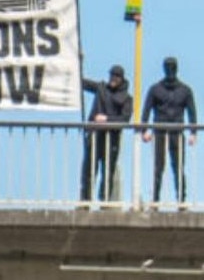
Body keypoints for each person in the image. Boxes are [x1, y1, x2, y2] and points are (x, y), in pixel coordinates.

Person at [141, 57, 197, 209]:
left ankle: (181, 201)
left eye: (172, 67)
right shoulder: (155, 89)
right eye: (168, 67)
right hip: (160, 132)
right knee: (159, 167)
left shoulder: (185, 90)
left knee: (178, 166)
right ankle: (155, 201)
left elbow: (192, 112)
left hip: (177, 132)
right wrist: (143, 129)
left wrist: (193, 132)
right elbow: (146, 109)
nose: (170, 70)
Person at [79, 65, 133, 207]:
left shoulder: (126, 98)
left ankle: (105, 201)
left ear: (121, 79)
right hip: (95, 136)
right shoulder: (101, 88)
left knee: (108, 171)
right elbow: (83, 83)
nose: (113, 79)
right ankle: (85, 201)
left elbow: (125, 119)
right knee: (89, 169)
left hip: (112, 139)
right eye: (111, 76)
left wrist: (107, 119)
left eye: (116, 77)